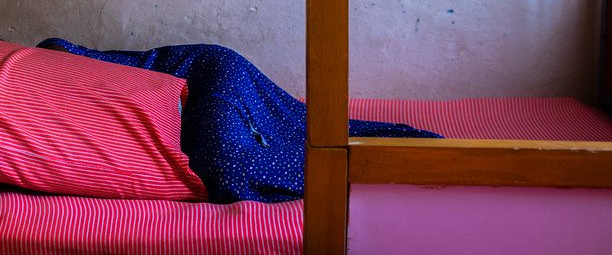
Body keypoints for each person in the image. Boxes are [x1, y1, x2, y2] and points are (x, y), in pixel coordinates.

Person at [37, 38, 441, 203]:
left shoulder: (47, 64)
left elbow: (57, 52)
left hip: (204, 76)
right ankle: (419, 154)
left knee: (230, 166)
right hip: (210, 74)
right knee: (294, 134)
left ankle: (417, 160)